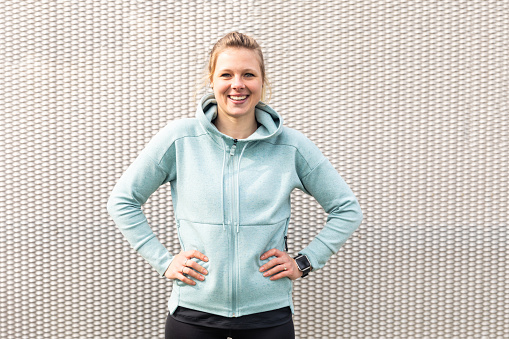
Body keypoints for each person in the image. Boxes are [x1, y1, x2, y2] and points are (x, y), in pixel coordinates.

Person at [107, 31, 363, 339]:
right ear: (212, 81)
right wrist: (164, 261)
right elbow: (123, 200)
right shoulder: (180, 139)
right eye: (226, 74)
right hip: (193, 315)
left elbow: (347, 209)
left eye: (248, 74)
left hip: (268, 317)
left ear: (262, 83)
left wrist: (304, 262)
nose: (237, 84)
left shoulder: (291, 147)